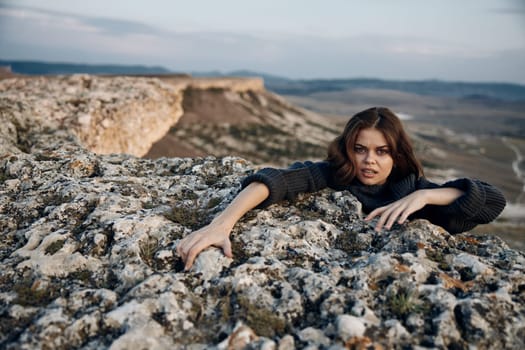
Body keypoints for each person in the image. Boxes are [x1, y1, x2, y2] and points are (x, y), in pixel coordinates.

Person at [177, 107, 506, 270]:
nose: (369, 161)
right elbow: (272, 180)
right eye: (360, 149)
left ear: (397, 154)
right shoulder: (335, 174)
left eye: (382, 151)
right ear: (348, 148)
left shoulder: (413, 190)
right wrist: (221, 224)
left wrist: (425, 195)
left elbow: (492, 201)